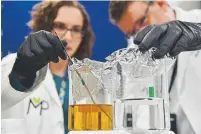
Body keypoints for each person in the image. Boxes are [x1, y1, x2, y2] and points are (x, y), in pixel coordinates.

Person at [1, 1, 95, 134]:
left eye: (76, 29)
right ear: (45, 27)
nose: (68, 37)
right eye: (60, 26)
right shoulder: (14, 65)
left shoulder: (87, 80)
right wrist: (20, 77)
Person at [109, 1, 201, 134]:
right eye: (132, 32)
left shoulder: (197, 21)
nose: (141, 32)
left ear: (161, 4)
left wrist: (197, 33)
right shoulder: (136, 53)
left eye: (142, 20)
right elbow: (138, 111)